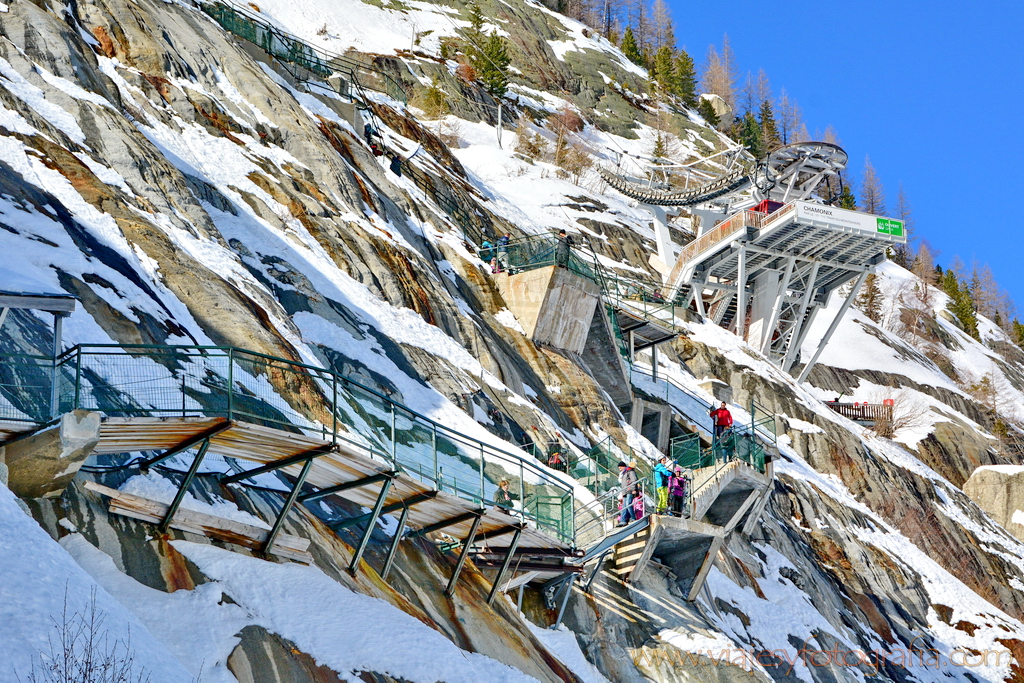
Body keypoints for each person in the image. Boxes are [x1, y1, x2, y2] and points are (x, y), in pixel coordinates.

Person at [616, 460, 638, 526]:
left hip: (629, 490)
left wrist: (633, 489)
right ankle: (623, 520)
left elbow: (634, 480)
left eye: (620, 467)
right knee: (624, 506)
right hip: (625, 491)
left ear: (624, 467)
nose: (619, 469)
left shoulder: (630, 472)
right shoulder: (625, 472)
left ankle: (633, 517)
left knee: (628, 504)